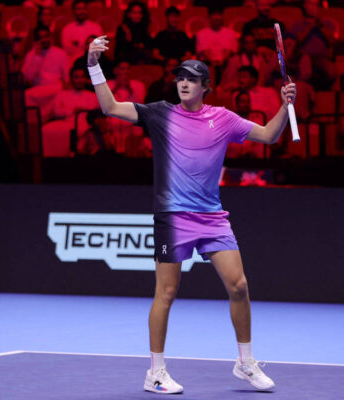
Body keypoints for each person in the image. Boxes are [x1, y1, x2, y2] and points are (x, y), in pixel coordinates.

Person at [87, 35, 296, 394]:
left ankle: (245, 363)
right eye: (180, 78)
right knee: (166, 292)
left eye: (192, 79)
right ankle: (155, 372)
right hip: (173, 217)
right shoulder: (160, 114)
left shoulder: (223, 118)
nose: (183, 83)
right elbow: (110, 107)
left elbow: (269, 135)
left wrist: (284, 104)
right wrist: (94, 65)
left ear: (205, 86)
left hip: (212, 218)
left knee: (239, 285)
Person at [41, 67, 99, 157]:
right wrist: (72, 110)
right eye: (76, 77)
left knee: (81, 126)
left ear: (86, 79)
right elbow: (57, 111)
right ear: (71, 79)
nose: (80, 80)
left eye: (82, 77)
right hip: (65, 122)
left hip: (84, 123)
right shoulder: (62, 94)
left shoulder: (92, 96)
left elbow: (94, 111)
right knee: (46, 129)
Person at [22, 26, 70, 116]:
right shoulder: (31, 55)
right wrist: (37, 57)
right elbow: (28, 78)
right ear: (36, 40)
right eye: (41, 38)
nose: (44, 40)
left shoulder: (61, 53)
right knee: (26, 95)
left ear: (50, 37)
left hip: (56, 88)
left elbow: (67, 76)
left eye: (46, 36)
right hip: (38, 89)